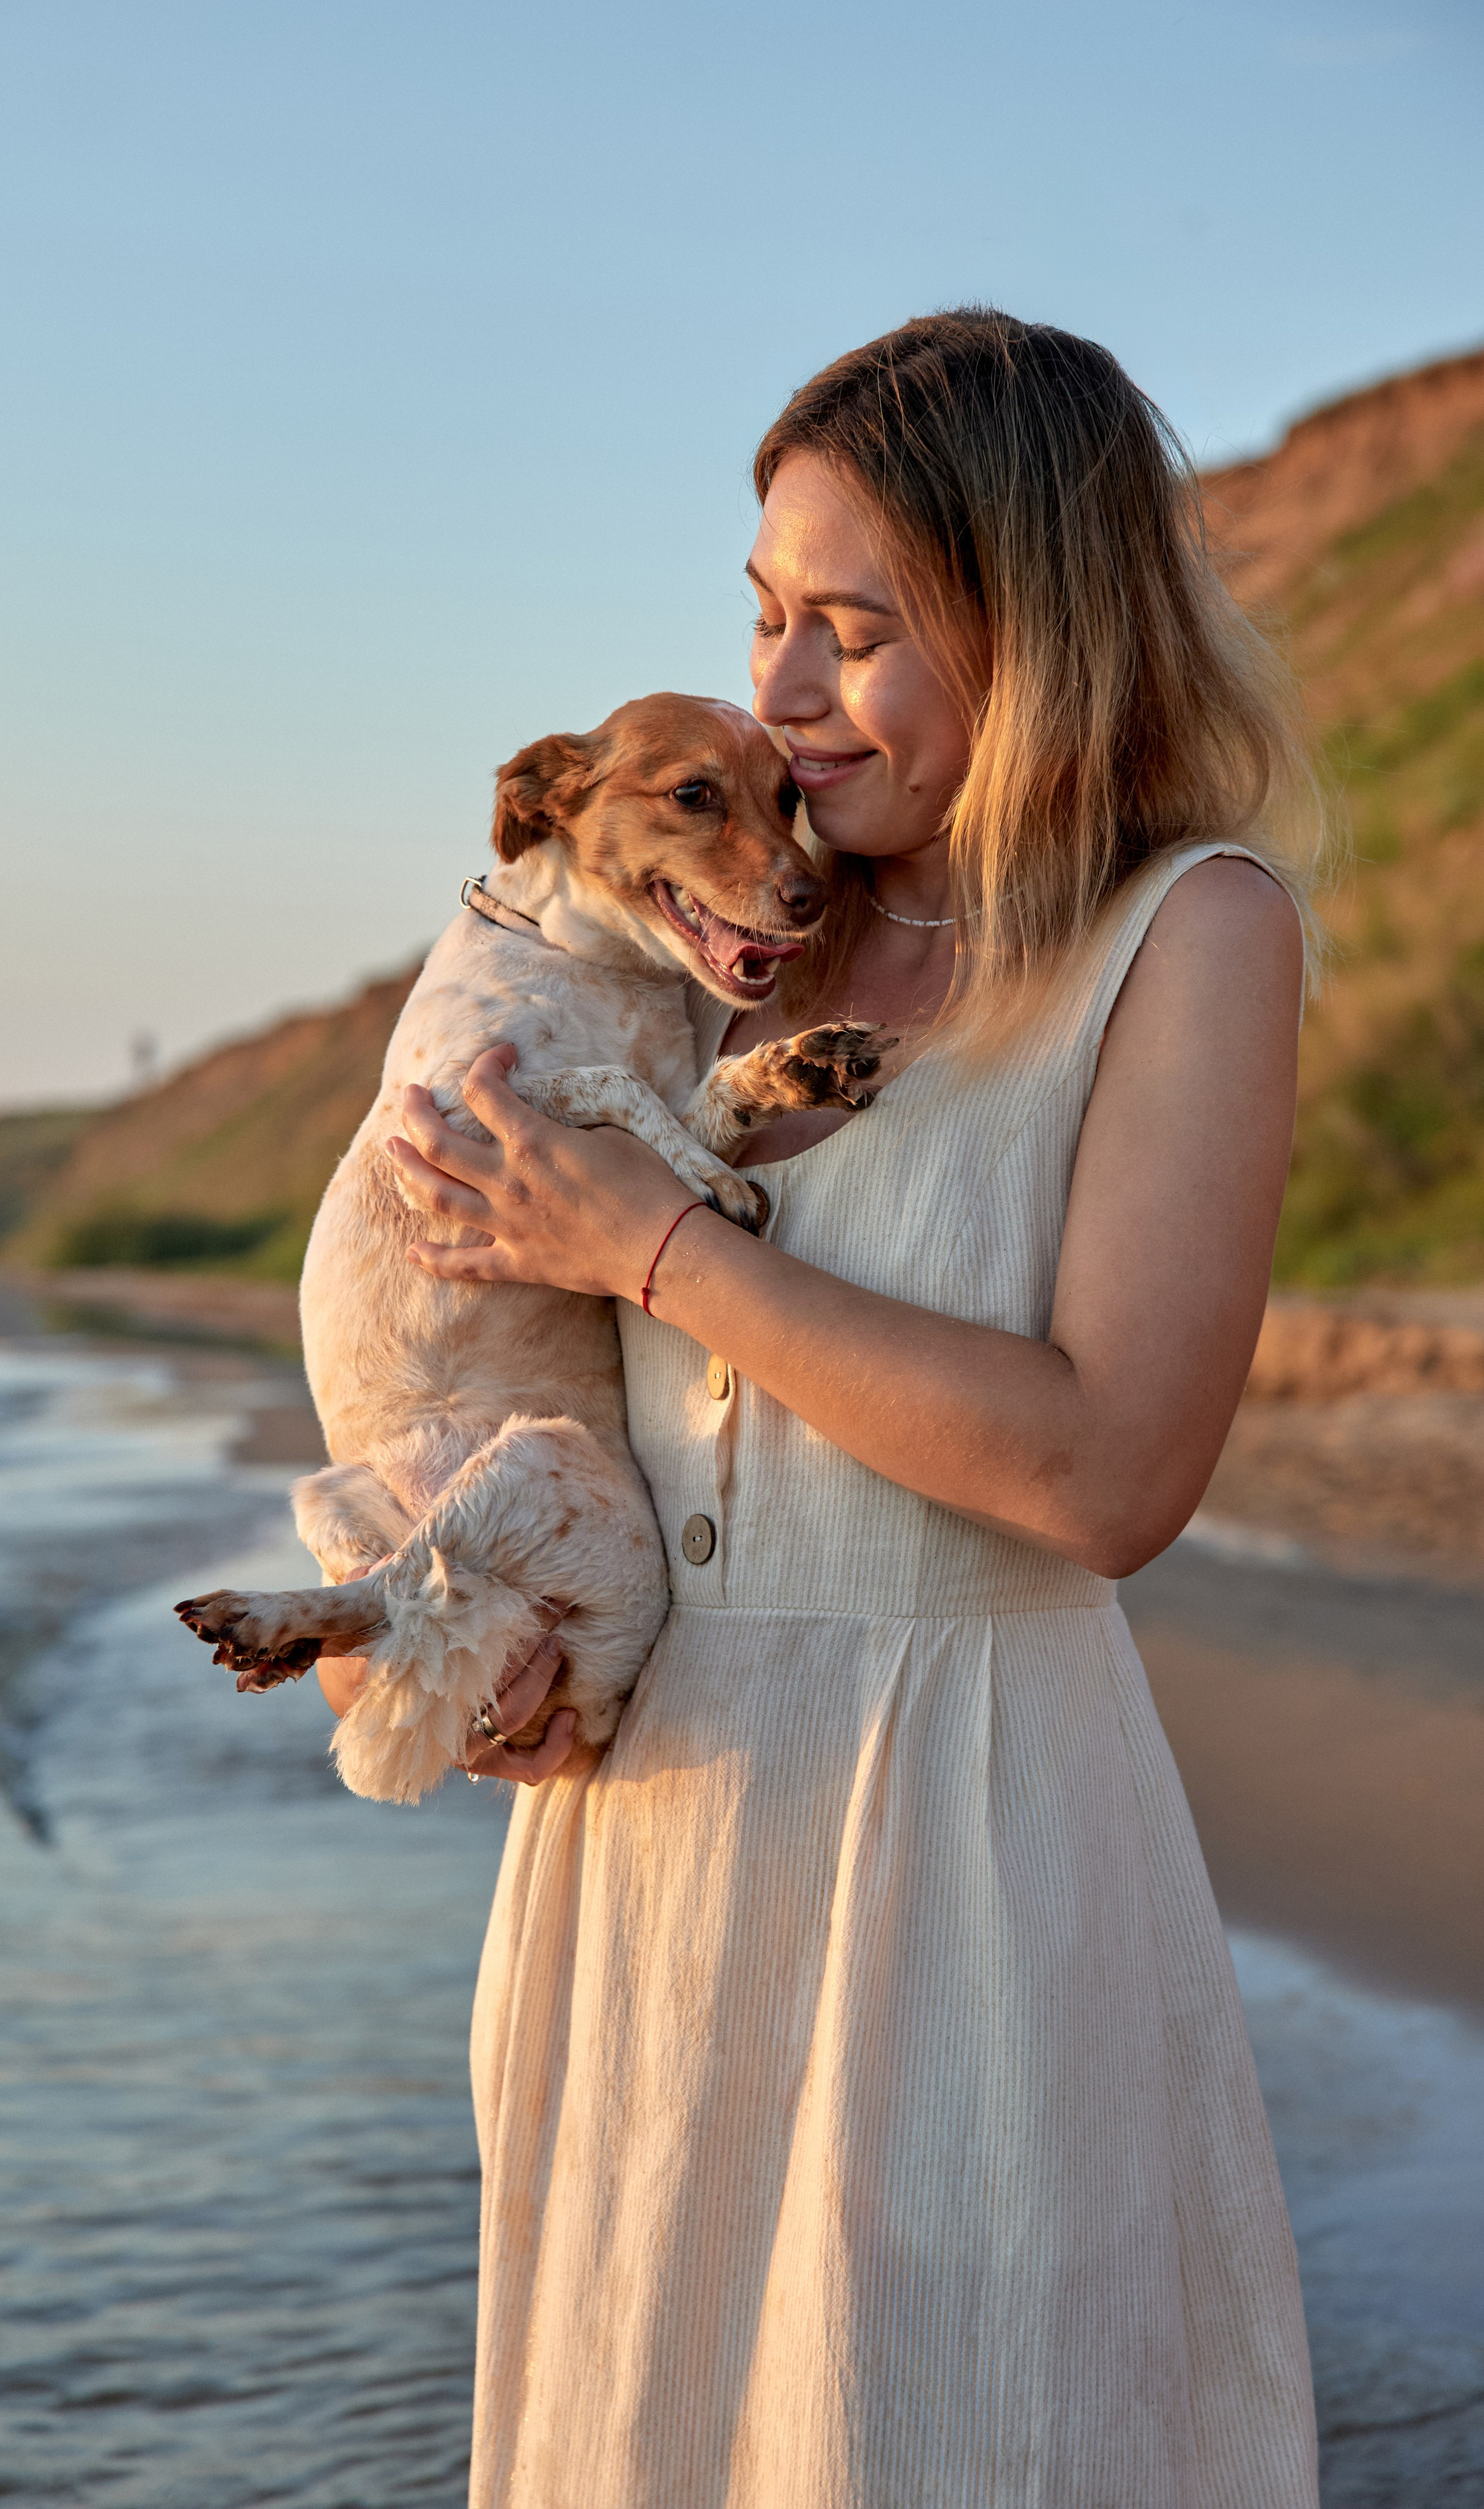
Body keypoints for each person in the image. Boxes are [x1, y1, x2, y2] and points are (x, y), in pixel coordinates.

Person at [329, 310, 1324, 2507]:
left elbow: (1108, 1471)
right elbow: (546, 1359)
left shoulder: (1183, 934)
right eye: (765, 616)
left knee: (952, 2427)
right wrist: (498, 1635)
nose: (780, 694)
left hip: (953, 1852)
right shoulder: (742, 928)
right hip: (645, 1852)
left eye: (852, 633)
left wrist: (656, 1246)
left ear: (1038, 623)